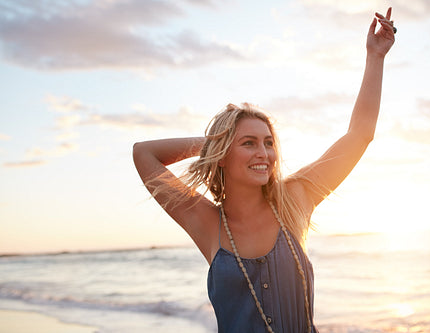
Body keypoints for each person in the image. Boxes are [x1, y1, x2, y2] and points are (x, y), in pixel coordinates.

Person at [133, 8, 395, 333]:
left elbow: (360, 135)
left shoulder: (296, 200)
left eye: (268, 142)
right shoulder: (206, 223)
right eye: (249, 143)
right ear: (224, 154)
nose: (264, 153)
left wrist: (375, 56)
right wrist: (217, 141)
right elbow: (144, 154)